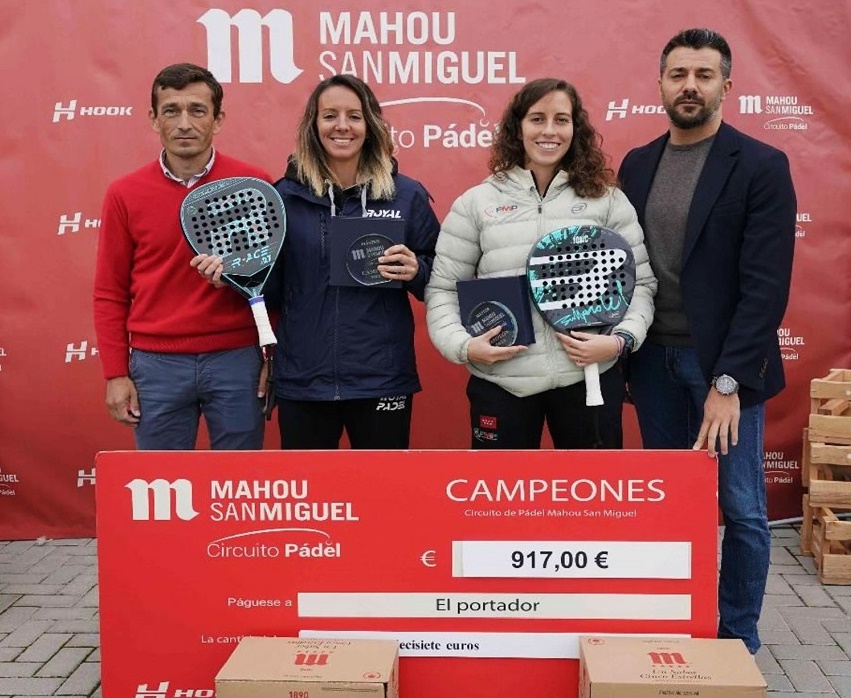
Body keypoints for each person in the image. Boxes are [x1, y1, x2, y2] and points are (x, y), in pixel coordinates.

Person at [618, 29, 797, 653]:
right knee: (670, 505)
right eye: (677, 74)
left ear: (726, 84)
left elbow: (765, 287)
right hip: (652, 365)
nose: (689, 86)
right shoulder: (638, 163)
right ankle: (677, 620)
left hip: (720, 368)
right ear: (661, 83)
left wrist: (729, 384)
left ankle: (736, 636)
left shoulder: (761, 165)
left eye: (702, 74)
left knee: (742, 509)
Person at [199, 75, 439, 449]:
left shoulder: (406, 195)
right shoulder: (283, 198)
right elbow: (271, 290)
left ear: (370, 125)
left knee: (384, 497)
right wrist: (232, 276)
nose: (342, 126)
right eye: (329, 115)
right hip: (303, 380)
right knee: (311, 504)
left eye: (354, 116)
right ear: (313, 125)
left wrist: (416, 270)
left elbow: (440, 279)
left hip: (381, 377)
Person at [426, 78, 656, 449]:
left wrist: (618, 342)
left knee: (594, 503)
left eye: (561, 119)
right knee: (501, 505)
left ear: (575, 128)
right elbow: (442, 289)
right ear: (518, 128)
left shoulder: (607, 201)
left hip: (588, 381)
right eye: (537, 118)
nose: (549, 131)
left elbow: (641, 284)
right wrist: (464, 347)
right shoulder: (476, 203)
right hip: (502, 383)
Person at [93, 63, 271, 450]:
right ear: (154, 119)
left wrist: (273, 355)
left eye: (197, 110)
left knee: (238, 488)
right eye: (171, 110)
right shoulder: (124, 193)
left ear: (218, 119)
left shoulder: (254, 185)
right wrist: (115, 374)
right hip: (156, 365)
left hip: (237, 359)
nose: (184, 123)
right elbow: (110, 292)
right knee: (164, 491)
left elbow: (279, 281)